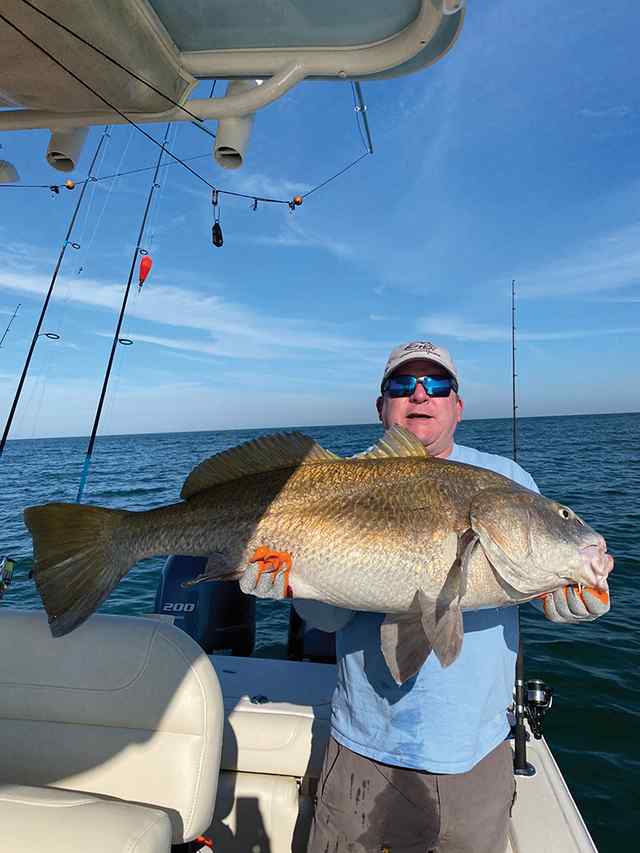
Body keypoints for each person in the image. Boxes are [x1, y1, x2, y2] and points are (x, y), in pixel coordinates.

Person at [293, 340, 610, 853]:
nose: (420, 394)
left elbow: (539, 586)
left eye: (436, 384)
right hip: (364, 753)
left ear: (457, 407)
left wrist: (567, 599)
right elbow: (325, 619)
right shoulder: (335, 485)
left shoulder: (507, 481)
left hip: (478, 754)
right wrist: (284, 583)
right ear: (382, 407)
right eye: (402, 385)